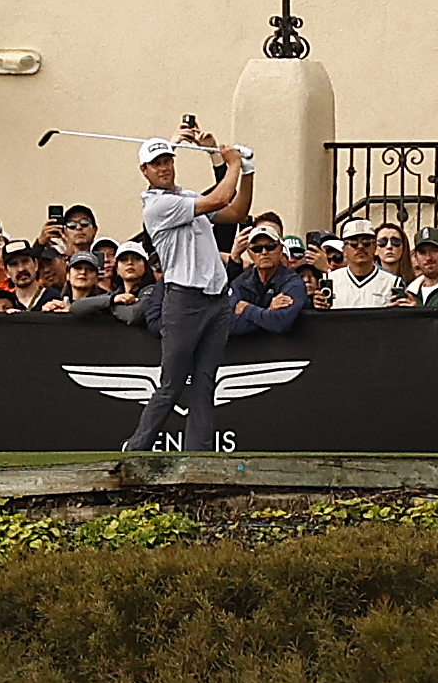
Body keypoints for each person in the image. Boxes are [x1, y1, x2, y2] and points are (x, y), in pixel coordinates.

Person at [123, 126, 252, 453]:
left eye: (168, 160)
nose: (164, 167)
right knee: (172, 384)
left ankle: (199, 455)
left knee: (205, 383)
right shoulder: (157, 206)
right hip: (184, 301)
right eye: (156, 163)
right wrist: (232, 163)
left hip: (216, 302)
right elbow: (221, 197)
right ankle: (136, 448)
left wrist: (247, 171)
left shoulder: (187, 197)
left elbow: (237, 210)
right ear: (145, 171)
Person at [227, 224, 313, 334]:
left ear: (281, 249)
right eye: (257, 249)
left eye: (270, 246)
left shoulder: (293, 282)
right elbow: (228, 325)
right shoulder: (240, 283)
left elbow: (281, 322)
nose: (264, 252)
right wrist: (268, 311)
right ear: (249, 252)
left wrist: (247, 309)